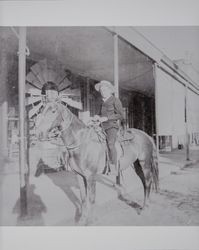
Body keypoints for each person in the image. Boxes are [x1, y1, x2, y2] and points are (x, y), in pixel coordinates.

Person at [94, 80, 125, 175]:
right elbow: (100, 114)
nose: (103, 92)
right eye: (101, 90)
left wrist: (106, 118)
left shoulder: (115, 100)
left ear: (109, 90)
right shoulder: (100, 102)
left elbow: (121, 115)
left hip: (112, 126)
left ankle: (113, 167)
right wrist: (96, 117)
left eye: (104, 90)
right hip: (101, 126)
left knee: (110, 144)